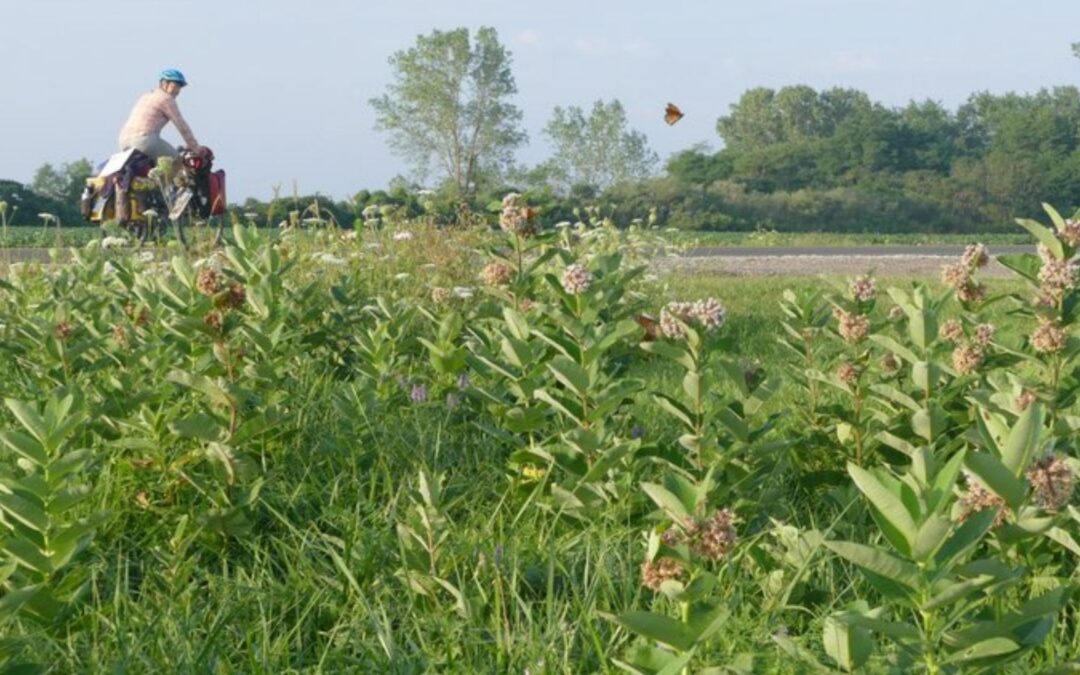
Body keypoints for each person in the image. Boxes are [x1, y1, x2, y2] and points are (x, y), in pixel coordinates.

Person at [118, 69, 202, 161]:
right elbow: (181, 126)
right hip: (144, 140)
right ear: (164, 83)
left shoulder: (146, 96)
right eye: (175, 85)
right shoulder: (166, 98)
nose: (178, 90)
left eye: (180, 87)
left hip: (123, 141)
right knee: (177, 162)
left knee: (154, 169)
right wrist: (195, 147)